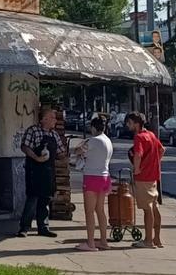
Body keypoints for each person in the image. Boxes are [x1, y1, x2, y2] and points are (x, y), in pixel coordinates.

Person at [15, 107, 64, 238]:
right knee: (32, 198)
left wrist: (75, 151)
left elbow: (61, 152)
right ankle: (24, 227)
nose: (55, 120)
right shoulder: (33, 131)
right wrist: (37, 157)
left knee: (45, 199)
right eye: (52, 117)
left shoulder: (54, 135)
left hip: (49, 172)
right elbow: (24, 147)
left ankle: (43, 227)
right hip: (34, 171)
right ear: (43, 119)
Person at [72, 115, 113, 251]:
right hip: (105, 177)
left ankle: (90, 243)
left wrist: (80, 146)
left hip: (92, 177)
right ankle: (103, 240)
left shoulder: (93, 141)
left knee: (89, 211)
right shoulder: (108, 141)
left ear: (94, 127)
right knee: (100, 210)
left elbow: (77, 151)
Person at [126, 111, 165, 248]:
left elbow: (138, 154)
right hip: (153, 177)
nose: (128, 125)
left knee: (147, 209)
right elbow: (161, 150)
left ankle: (148, 241)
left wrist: (137, 169)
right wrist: (154, 163)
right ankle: (157, 239)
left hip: (143, 178)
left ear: (137, 124)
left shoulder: (139, 137)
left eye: (130, 123)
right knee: (154, 207)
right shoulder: (151, 135)